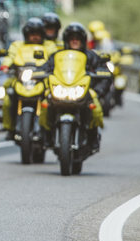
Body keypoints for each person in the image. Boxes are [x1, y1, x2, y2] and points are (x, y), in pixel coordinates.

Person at [40, 22, 107, 150]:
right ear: (67, 40)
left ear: (83, 41)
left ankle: (92, 137)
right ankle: (47, 135)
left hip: (83, 91)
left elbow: (104, 73)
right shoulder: (56, 56)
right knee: (45, 105)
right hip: (60, 90)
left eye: (78, 39)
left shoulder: (91, 56)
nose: (75, 41)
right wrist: (37, 72)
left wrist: (98, 90)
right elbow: (44, 67)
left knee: (96, 107)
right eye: (72, 39)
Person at [0, 18, 55, 140]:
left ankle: (50, 128)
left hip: (42, 79)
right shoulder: (17, 45)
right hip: (21, 79)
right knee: (8, 96)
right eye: (32, 34)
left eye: (38, 34)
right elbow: (10, 56)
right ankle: (10, 127)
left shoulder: (49, 46)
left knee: (53, 97)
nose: (35, 37)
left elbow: (54, 58)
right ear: (26, 35)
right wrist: (5, 65)